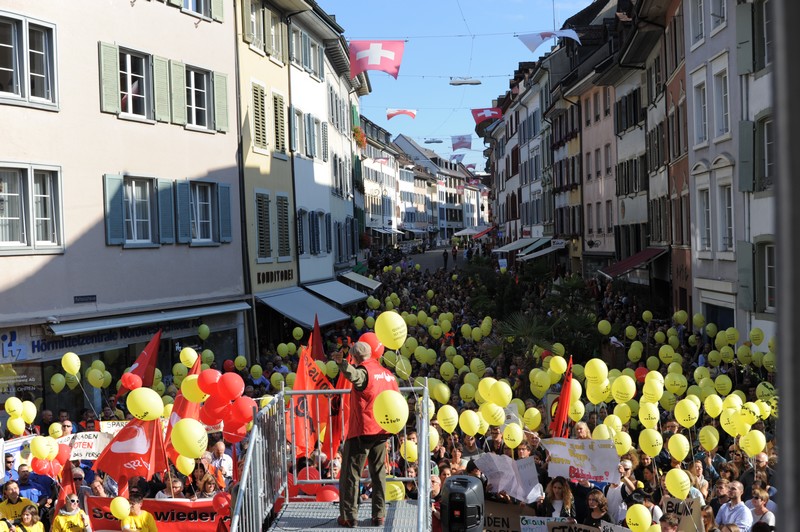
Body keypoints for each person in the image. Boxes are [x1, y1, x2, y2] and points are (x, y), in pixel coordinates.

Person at [332, 341, 400, 528]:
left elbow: (354, 375)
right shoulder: (388, 374)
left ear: (355, 357)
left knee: (350, 474)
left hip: (363, 430)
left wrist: (342, 364)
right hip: (383, 430)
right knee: (379, 474)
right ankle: (379, 515)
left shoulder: (364, 371)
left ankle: (349, 516)